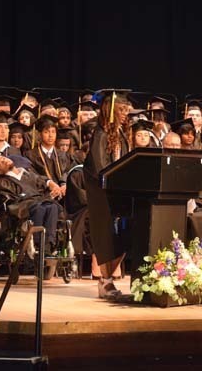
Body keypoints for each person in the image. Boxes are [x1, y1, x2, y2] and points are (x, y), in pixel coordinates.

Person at [83, 89, 131, 299]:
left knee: (124, 236)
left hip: (118, 191)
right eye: (121, 109)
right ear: (109, 110)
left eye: (126, 110)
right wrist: (113, 184)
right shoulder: (100, 134)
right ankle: (105, 281)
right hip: (103, 194)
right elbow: (99, 167)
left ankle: (108, 279)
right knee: (106, 236)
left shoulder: (120, 133)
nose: (125, 113)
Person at [0, 155, 63, 254]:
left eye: (4, 158)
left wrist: (53, 184)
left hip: (38, 201)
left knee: (52, 207)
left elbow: (44, 181)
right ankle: (37, 244)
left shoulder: (28, 173)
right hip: (20, 205)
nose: (4, 160)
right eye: (0, 162)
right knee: (39, 208)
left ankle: (49, 244)